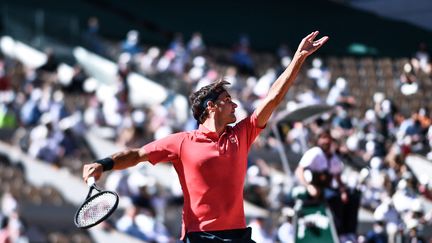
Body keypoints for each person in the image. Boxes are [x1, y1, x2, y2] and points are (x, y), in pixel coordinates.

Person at [82, 31, 328, 242]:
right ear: (211, 107)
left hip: (237, 236)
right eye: (227, 100)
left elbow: (273, 99)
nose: (235, 105)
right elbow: (136, 155)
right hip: (199, 237)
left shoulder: (242, 134)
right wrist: (103, 164)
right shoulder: (181, 142)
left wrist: (298, 59)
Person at [294, 130, 360, 240]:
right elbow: (299, 171)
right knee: (334, 198)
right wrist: (309, 186)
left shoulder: (333, 158)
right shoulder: (314, 152)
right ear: (318, 140)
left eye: (328, 138)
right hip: (312, 187)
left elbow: (337, 178)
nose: (326, 141)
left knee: (352, 195)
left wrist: (343, 191)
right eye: (323, 138)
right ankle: (338, 233)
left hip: (325, 188)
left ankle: (348, 233)